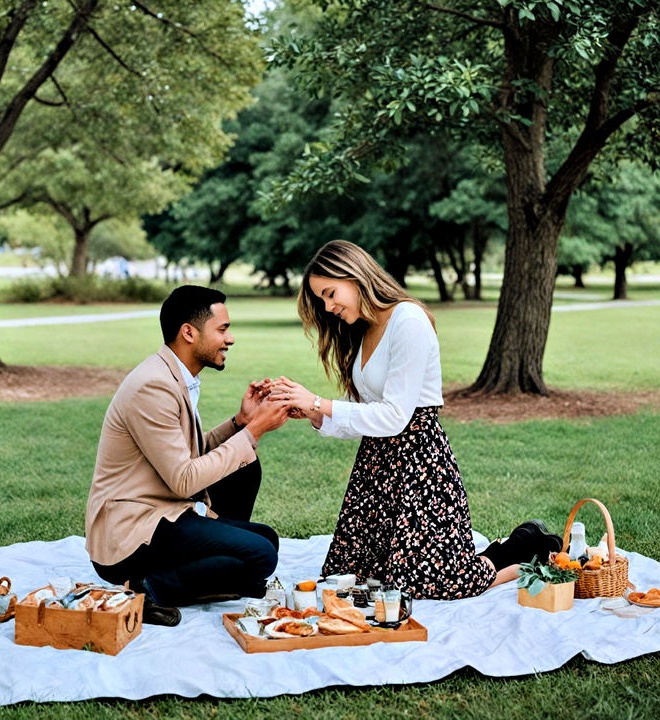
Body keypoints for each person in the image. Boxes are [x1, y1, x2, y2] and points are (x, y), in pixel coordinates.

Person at [270, 241, 561, 600]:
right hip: (376, 471)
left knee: (429, 584)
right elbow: (366, 415)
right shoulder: (364, 331)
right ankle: (513, 545)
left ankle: (521, 550)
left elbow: (395, 417)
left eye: (330, 294)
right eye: (322, 300)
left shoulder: (408, 320)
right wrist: (314, 411)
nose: (329, 308)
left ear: (355, 276)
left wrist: (320, 402)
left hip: (419, 466)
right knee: (353, 580)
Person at [85, 285, 289, 624]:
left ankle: (210, 567)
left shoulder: (175, 376)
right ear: (189, 332)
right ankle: (149, 586)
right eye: (222, 329)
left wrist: (241, 423)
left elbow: (188, 456)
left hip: (164, 512)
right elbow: (183, 479)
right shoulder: (153, 385)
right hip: (132, 533)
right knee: (261, 555)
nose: (231, 338)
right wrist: (254, 432)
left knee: (265, 534)